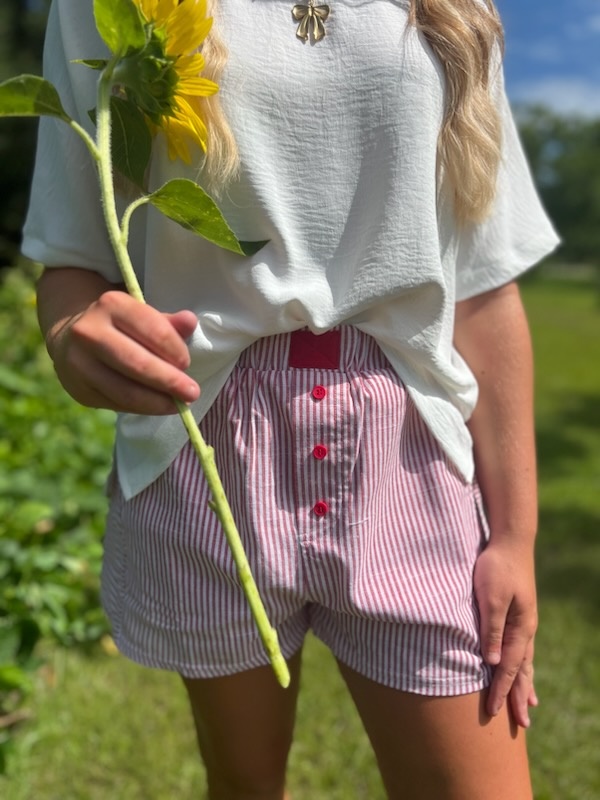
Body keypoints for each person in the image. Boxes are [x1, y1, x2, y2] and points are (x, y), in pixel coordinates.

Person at [23, 0, 559, 797]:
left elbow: (481, 281)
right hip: (203, 443)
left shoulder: (455, 10)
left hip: (409, 448)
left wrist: (515, 535)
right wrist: (72, 330)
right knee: (243, 785)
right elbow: (70, 251)